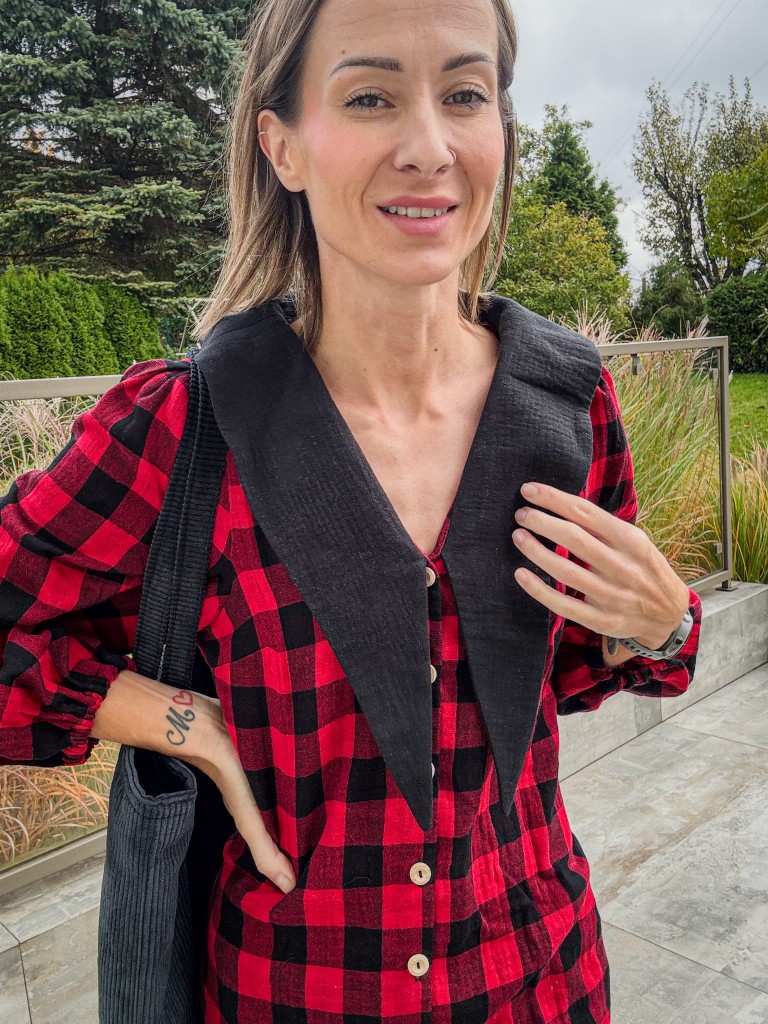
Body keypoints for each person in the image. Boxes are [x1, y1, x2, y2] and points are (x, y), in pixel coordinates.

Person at [0, 1, 701, 1022]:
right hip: (295, 994)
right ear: (281, 145)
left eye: (465, 94)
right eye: (370, 96)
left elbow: (575, 671)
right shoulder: (189, 427)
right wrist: (188, 726)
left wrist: (664, 621)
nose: (429, 147)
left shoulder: (569, 403)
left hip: (543, 982)